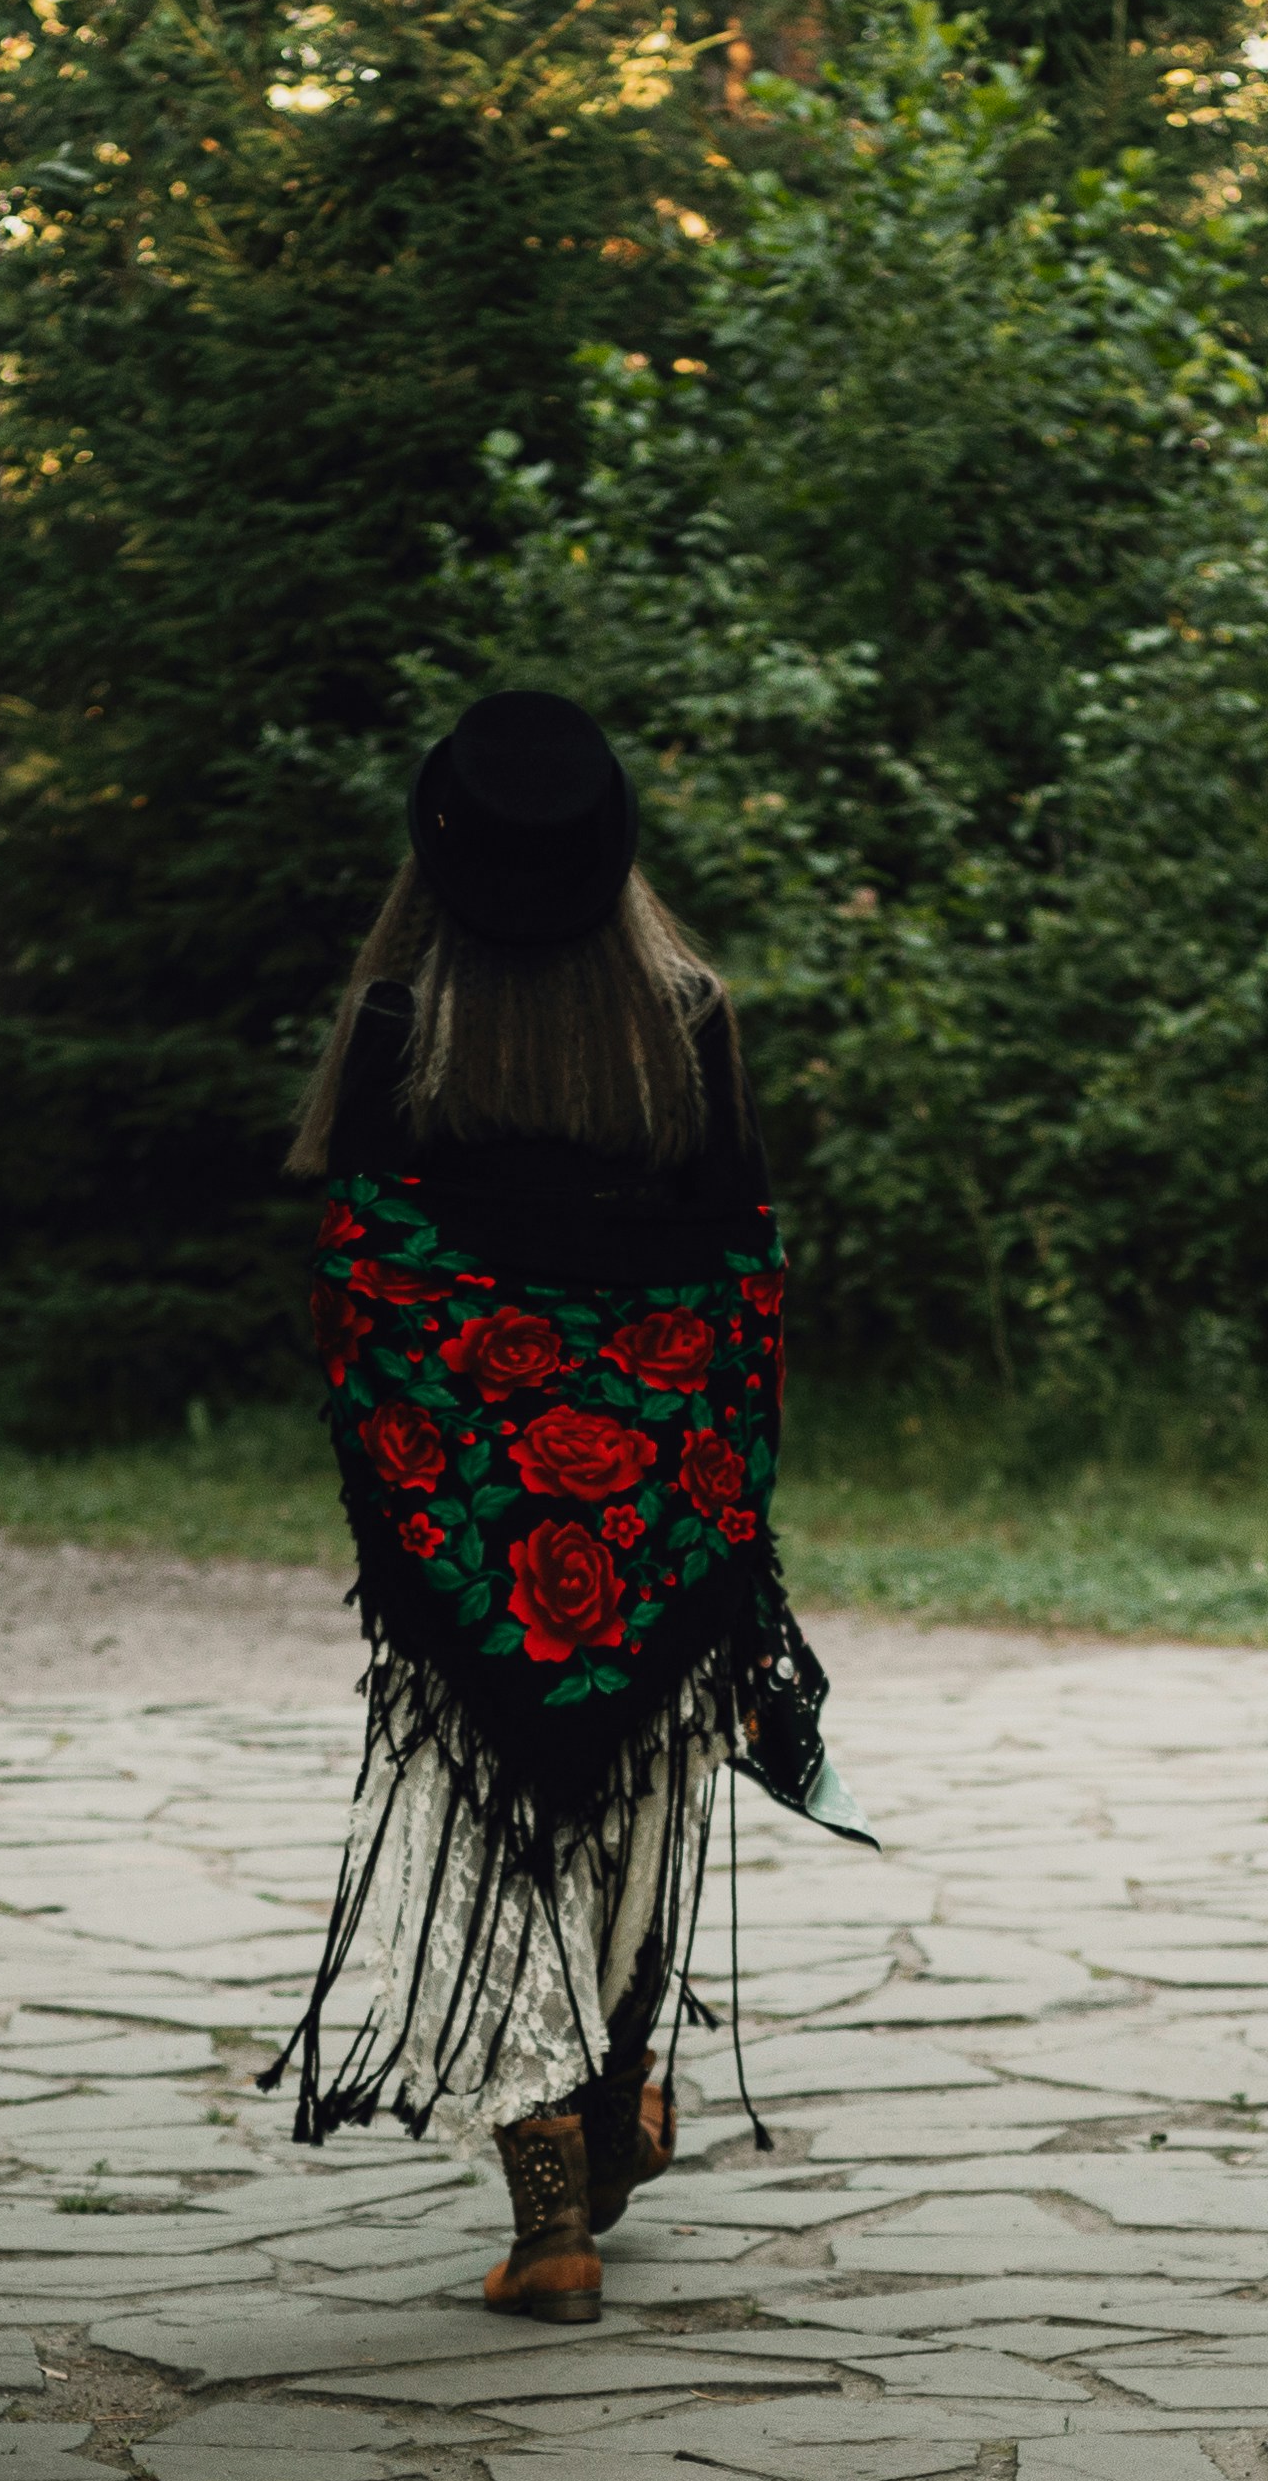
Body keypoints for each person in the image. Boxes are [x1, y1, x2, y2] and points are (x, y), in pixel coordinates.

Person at [266, 691, 859, 2319]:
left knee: (494, 1842)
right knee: (630, 1828)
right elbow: (745, 1289)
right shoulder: (689, 1014)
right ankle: (612, 2122)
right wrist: (712, 1519)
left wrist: (438, 1506)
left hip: (472, 1530)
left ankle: (557, 2221)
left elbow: (373, 1299)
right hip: (658, 1521)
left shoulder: (399, 1029)